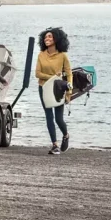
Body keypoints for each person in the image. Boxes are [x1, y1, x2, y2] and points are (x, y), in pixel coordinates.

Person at [36, 27, 73, 155]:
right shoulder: (41, 55)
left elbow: (69, 74)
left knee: (58, 118)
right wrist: (53, 77)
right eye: (45, 37)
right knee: (49, 116)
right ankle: (54, 145)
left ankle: (66, 135)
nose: (47, 39)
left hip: (58, 88)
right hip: (44, 88)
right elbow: (38, 73)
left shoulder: (63, 55)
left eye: (50, 37)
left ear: (57, 39)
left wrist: (69, 93)